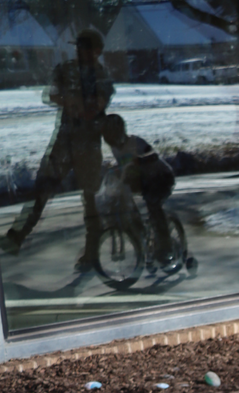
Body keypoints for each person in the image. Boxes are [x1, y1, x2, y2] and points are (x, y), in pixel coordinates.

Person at [2, 28, 115, 271]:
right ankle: (17, 237)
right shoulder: (65, 69)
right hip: (64, 141)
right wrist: (67, 100)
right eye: (78, 46)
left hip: (88, 144)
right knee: (43, 188)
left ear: (96, 51)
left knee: (90, 199)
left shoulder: (102, 76)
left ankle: (92, 253)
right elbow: (50, 94)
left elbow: (98, 105)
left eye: (84, 46)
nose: (79, 51)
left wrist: (84, 107)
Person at [101, 114, 176, 266]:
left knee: (153, 205)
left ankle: (166, 247)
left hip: (161, 177)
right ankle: (140, 232)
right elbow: (124, 164)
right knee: (122, 200)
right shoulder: (115, 147)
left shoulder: (136, 142)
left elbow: (153, 156)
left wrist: (140, 160)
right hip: (144, 181)